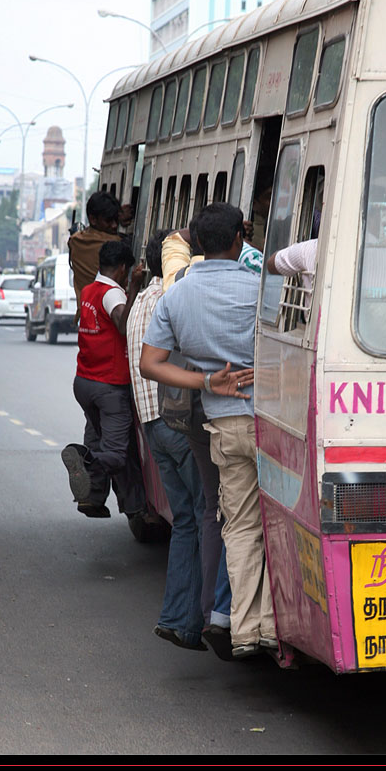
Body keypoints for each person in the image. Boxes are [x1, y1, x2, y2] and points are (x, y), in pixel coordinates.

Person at [140, 202, 275, 659]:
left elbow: (150, 364)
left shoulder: (174, 296)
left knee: (237, 526)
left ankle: (242, 630)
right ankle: (272, 629)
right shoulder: (262, 288)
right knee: (276, 525)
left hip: (223, 425)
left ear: (195, 244)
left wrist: (205, 380)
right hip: (274, 425)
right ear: (241, 237)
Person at [126, 230, 210, 653]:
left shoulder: (139, 301)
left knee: (186, 523)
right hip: (175, 425)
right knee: (205, 518)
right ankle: (199, 618)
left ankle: (178, 618)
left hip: (151, 427)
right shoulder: (169, 299)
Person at [61, 240, 147, 519]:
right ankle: (83, 459)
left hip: (84, 382)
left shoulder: (88, 290)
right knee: (116, 453)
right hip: (109, 386)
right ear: (123, 269)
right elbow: (123, 325)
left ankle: (92, 499)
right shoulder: (112, 294)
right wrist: (133, 288)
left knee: (97, 439)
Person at [67, 191, 124, 302]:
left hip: (84, 313)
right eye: (108, 220)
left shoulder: (75, 241)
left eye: (116, 220)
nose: (114, 225)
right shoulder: (114, 244)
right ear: (93, 219)